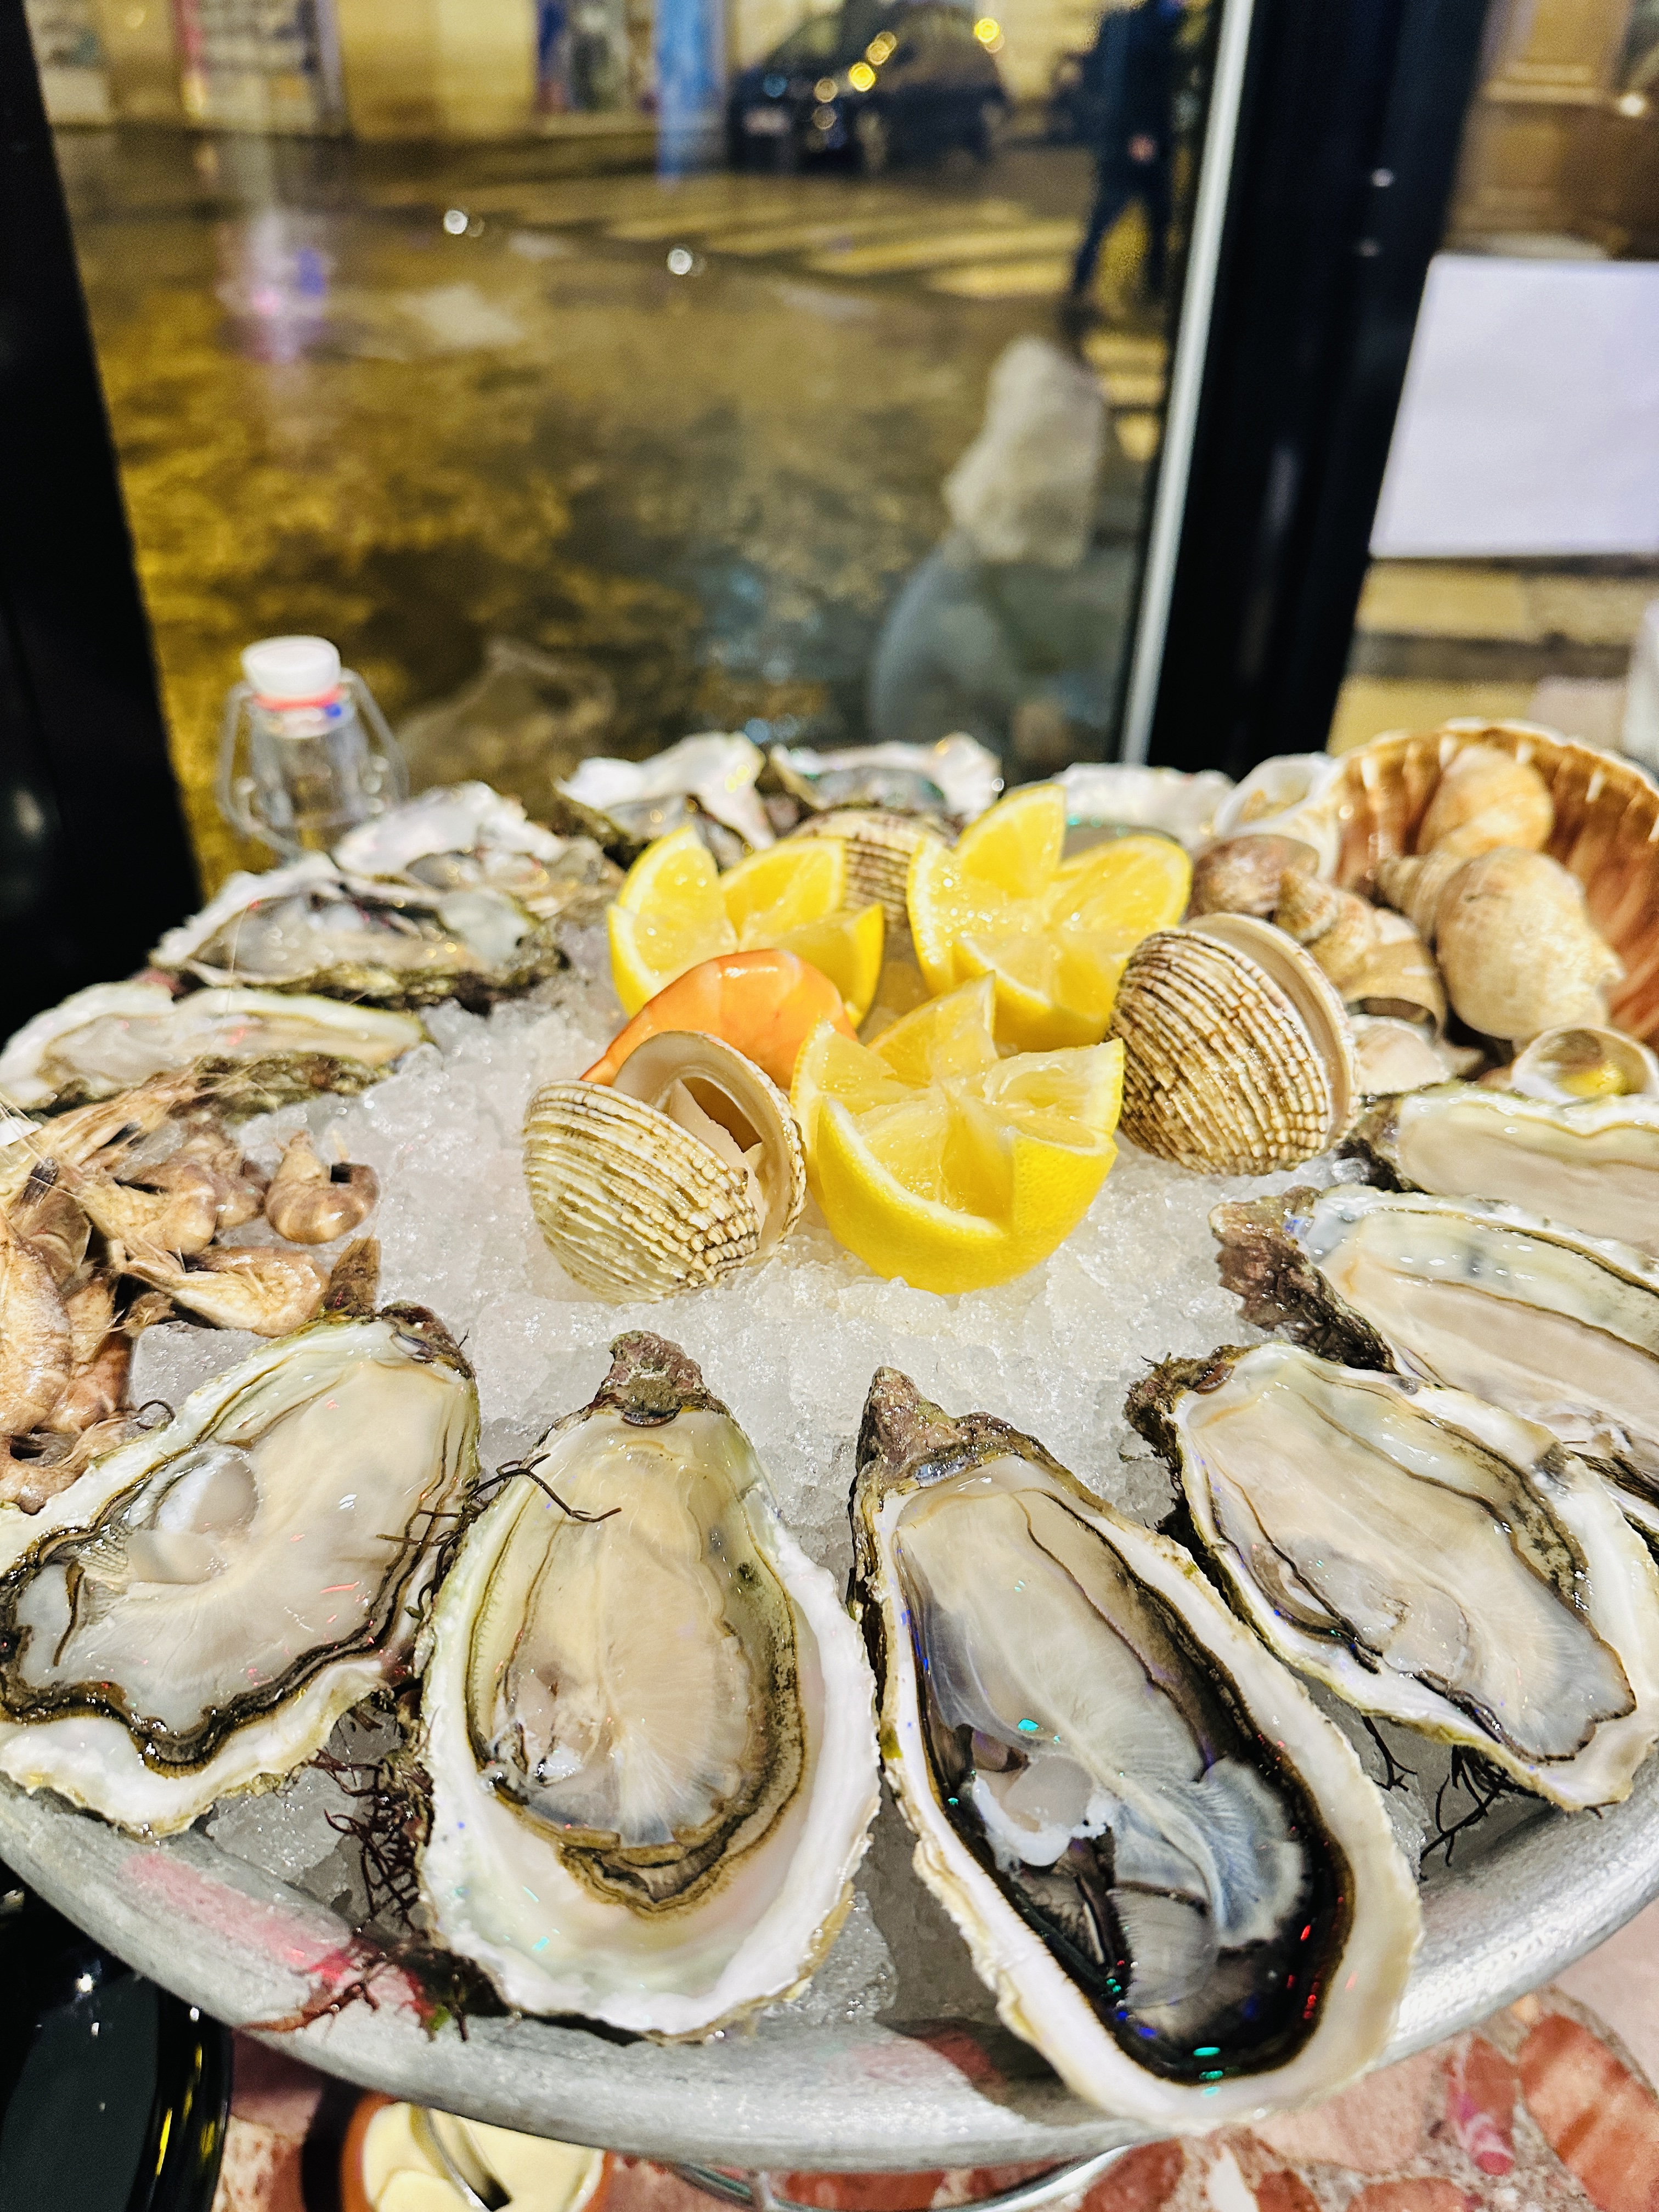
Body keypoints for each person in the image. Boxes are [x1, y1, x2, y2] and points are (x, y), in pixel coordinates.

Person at [1067, 0, 1183, 307]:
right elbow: (1142, 87)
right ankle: (1087, 279)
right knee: (1117, 212)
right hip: (1139, 141)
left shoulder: (1150, 24)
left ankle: (1152, 286)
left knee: (1154, 217)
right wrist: (1140, 133)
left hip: (1138, 139)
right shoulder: (1152, 28)